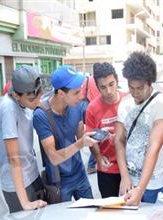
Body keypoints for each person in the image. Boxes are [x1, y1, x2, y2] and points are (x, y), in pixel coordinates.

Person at [114, 52, 163, 205]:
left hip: (154, 184)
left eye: (139, 88)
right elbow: (119, 141)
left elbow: (153, 147)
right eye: (131, 87)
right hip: (130, 182)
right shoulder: (124, 104)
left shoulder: (162, 103)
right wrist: (125, 176)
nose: (135, 92)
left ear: (150, 82)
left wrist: (140, 189)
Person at [33, 65, 97, 202]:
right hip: (59, 181)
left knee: (91, 213)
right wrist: (81, 143)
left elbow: (80, 135)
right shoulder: (41, 115)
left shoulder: (76, 106)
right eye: (76, 93)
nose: (81, 97)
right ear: (61, 93)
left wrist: (96, 133)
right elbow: (54, 158)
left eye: (80, 91)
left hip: (80, 174)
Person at [0, 65, 47, 213]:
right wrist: (24, 202)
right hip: (18, 185)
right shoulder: (9, 109)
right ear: (16, 95)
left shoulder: (28, 98)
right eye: (33, 99)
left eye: (39, 96)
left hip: (32, 174)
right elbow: (13, 158)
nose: (38, 102)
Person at [85, 62, 126, 198]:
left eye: (111, 84)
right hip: (107, 171)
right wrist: (98, 156)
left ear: (117, 81)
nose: (108, 91)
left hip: (130, 168)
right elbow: (91, 139)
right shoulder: (92, 108)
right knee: (110, 213)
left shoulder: (129, 101)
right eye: (103, 87)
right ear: (97, 87)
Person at [81, 75, 101, 174]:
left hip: (84, 107)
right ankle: (91, 164)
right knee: (97, 137)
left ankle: (92, 164)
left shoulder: (87, 79)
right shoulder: (97, 80)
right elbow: (99, 97)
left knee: (91, 135)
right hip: (92, 109)